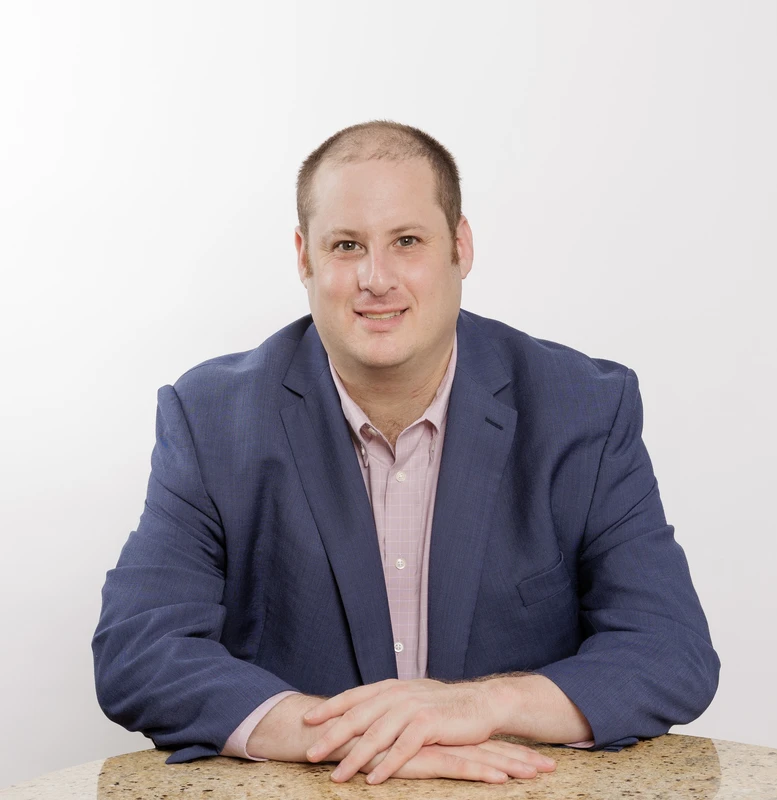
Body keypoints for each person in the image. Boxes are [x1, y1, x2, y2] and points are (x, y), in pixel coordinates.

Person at [92, 120, 720, 786]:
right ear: (304, 257)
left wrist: (478, 705)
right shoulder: (212, 418)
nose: (376, 278)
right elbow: (139, 650)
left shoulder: (581, 408)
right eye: (346, 245)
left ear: (460, 246)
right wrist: (348, 737)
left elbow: (669, 650)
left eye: (407, 241)